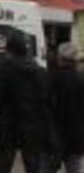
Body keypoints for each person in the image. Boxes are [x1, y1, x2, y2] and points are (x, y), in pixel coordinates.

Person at [0, 33, 57, 173]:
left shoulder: (5, 70)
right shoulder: (41, 71)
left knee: (4, 164)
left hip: (8, 125)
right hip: (33, 127)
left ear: (9, 51)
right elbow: (48, 101)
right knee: (32, 165)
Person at [51, 42, 84, 173]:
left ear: (59, 58)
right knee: (73, 169)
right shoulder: (82, 79)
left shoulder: (50, 78)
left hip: (54, 135)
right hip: (76, 135)